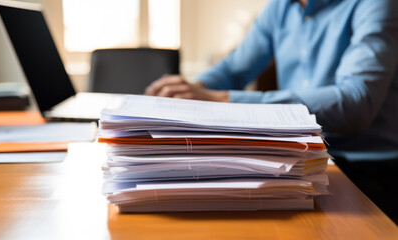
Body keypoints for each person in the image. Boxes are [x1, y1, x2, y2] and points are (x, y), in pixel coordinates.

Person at [145, 0, 398, 223]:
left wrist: (223, 99)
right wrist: (189, 89)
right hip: (303, 159)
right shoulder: (281, 6)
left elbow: (356, 102)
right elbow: (234, 68)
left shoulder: (375, 4)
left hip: (367, 170)